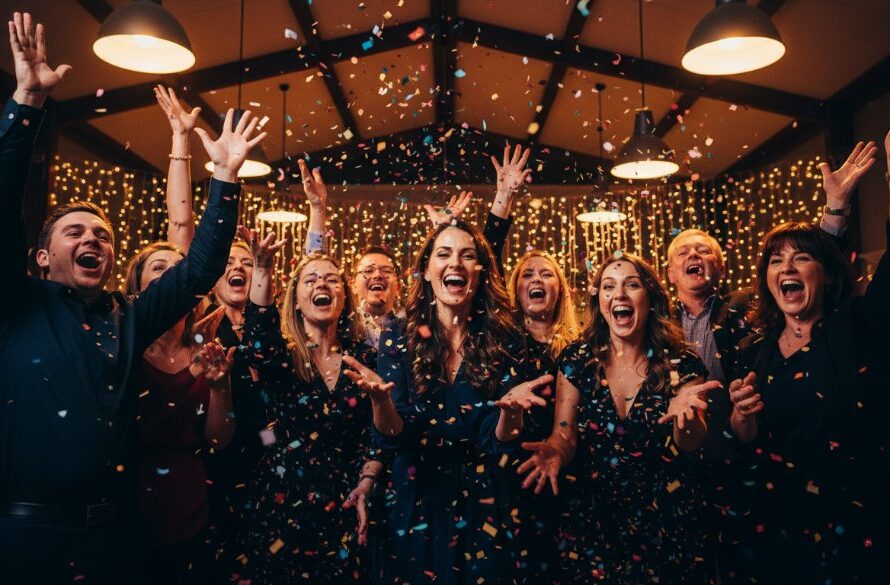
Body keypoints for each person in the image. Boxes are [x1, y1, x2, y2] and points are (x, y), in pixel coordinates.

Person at [0, 12, 267, 582]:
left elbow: (198, 271)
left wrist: (223, 179)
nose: (93, 238)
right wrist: (25, 103)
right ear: (42, 257)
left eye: (103, 236)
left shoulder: (126, 318)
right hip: (26, 531)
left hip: (116, 534)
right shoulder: (17, 304)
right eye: (75, 232)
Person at [343, 219, 552, 584]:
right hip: (417, 497)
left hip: (487, 501)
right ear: (426, 271)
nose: (455, 262)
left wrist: (512, 416)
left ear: (481, 272)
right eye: (444, 254)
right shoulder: (399, 335)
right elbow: (396, 434)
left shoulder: (507, 337)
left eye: (467, 255)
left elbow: (499, 439)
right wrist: (381, 403)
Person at [724, 131, 889, 584]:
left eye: (800, 259)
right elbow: (742, 442)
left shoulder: (858, 326)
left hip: (861, 527)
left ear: (826, 271)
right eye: (776, 262)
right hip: (781, 533)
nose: (788, 268)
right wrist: (741, 419)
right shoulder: (754, 354)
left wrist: (842, 204)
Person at [518, 252, 721, 584]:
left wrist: (687, 419)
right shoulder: (577, 359)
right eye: (609, 286)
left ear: (650, 297)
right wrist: (555, 450)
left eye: (632, 285)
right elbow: (565, 434)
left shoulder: (681, 362)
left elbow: (690, 442)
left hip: (667, 523)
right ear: (600, 302)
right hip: (594, 522)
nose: (620, 295)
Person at [238, 227, 383, 582]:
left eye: (333, 280)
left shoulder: (365, 360)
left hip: (347, 508)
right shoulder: (281, 358)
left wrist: (368, 480)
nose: (322, 285)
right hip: (281, 509)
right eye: (311, 280)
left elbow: (377, 435)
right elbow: (257, 342)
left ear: (345, 298)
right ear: (296, 300)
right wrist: (261, 269)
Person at [504, 249, 580, 580]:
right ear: (515, 290)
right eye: (528, 274)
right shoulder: (501, 342)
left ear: (560, 289)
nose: (537, 279)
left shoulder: (580, 347)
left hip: (569, 470)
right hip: (512, 471)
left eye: (547, 274)